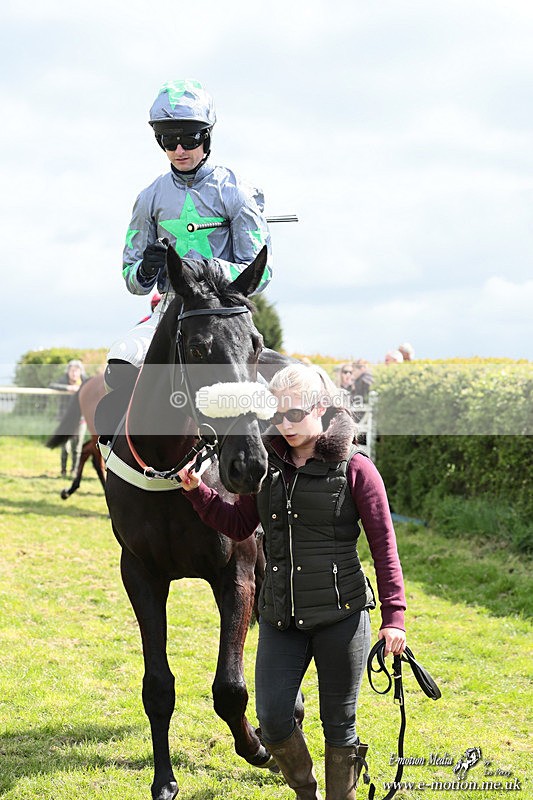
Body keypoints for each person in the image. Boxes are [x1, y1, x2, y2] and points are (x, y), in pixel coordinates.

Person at [178, 364, 406, 800]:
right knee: (275, 717)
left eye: (295, 412)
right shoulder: (267, 465)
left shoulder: (357, 468)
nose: (285, 423)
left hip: (342, 616)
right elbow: (239, 523)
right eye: (277, 413)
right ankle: (306, 792)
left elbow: (384, 548)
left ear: (321, 408)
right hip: (281, 617)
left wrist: (394, 618)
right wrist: (197, 492)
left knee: (340, 725)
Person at [106, 78, 273, 393]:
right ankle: (109, 444)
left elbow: (260, 272)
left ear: (206, 137)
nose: (179, 150)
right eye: (168, 141)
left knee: (272, 399)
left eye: (189, 138)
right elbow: (131, 279)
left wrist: (199, 270)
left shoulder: (237, 193)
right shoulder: (148, 199)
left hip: (223, 311)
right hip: (170, 308)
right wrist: (146, 268)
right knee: (120, 359)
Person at [49, 359, 88, 477]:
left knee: (77, 448)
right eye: (72, 371)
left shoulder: (85, 381)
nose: (74, 374)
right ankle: (63, 471)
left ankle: (74, 471)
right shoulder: (63, 380)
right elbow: (52, 385)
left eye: (77, 371)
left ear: (80, 372)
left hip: (81, 420)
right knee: (65, 447)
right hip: (65, 419)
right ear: (68, 371)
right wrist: (68, 388)